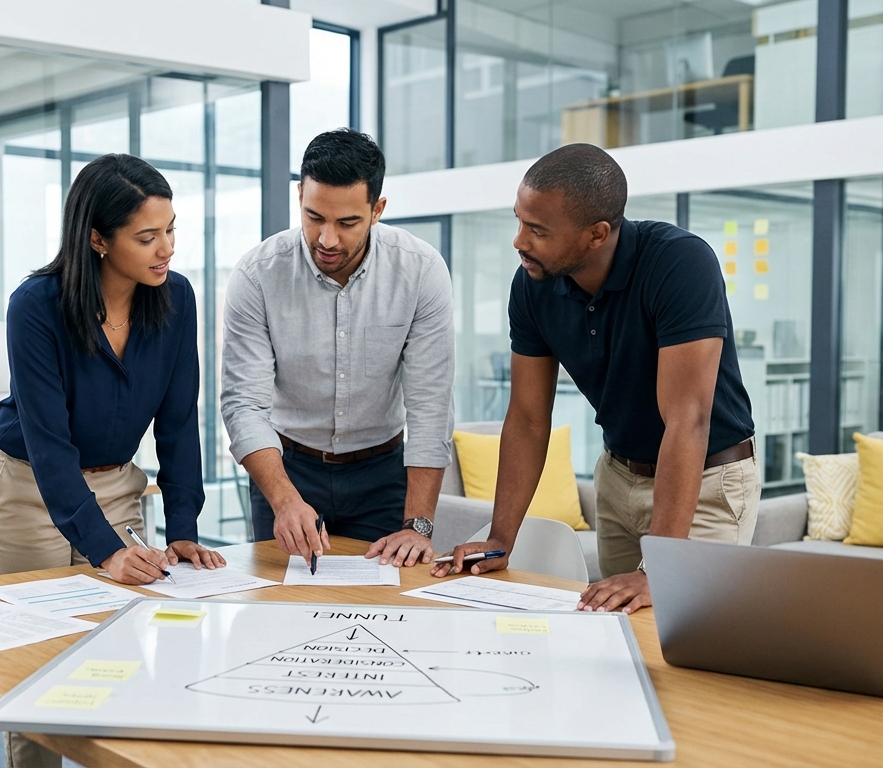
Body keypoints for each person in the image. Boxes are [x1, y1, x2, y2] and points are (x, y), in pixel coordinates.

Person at [434, 144, 760, 614]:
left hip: (707, 479)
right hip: (618, 478)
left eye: (538, 230)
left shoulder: (680, 264)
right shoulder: (532, 283)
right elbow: (527, 418)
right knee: (616, 632)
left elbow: (687, 419)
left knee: (690, 644)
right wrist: (500, 540)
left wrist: (658, 568)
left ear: (596, 234)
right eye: (520, 222)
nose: (519, 241)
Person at [0, 153, 223, 768]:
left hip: (115, 489)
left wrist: (184, 527)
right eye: (147, 237)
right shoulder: (36, 305)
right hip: (26, 493)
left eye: (170, 231)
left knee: (116, 660)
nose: (165, 249)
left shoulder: (176, 299)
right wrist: (106, 549)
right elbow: (49, 443)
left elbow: (179, 419)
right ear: (97, 239)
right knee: (35, 676)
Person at [221, 129, 455, 568]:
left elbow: (430, 403)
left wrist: (418, 524)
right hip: (286, 469)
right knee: (280, 609)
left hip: (382, 473)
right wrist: (285, 500)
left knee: (386, 611)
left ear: (377, 209)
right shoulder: (257, 275)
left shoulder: (421, 271)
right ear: (299, 196)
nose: (327, 239)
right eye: (314, 217)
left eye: (347, 223)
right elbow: (243, 404)